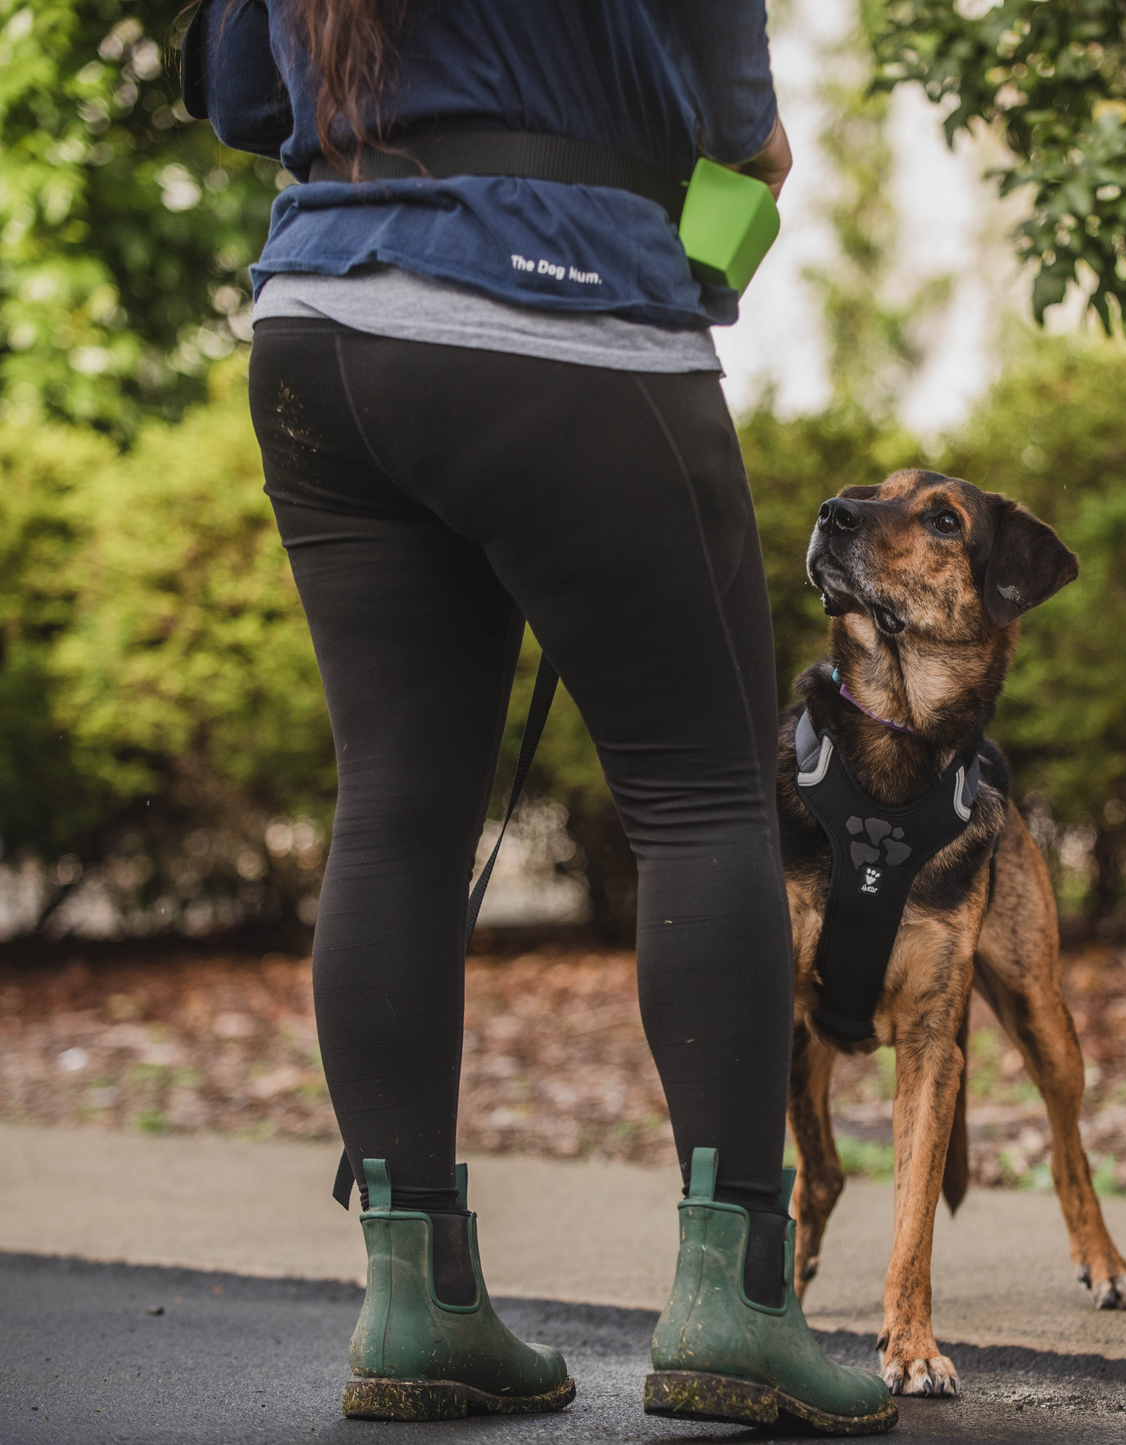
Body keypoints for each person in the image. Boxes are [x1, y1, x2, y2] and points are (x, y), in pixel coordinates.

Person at [186, 0, 896, 1432]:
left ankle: (417, 1304)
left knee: (393, 810)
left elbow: (237, 97)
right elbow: (745, 132)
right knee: (702, 802)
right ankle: (734, 1304)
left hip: (321, 324)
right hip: (562, 310)